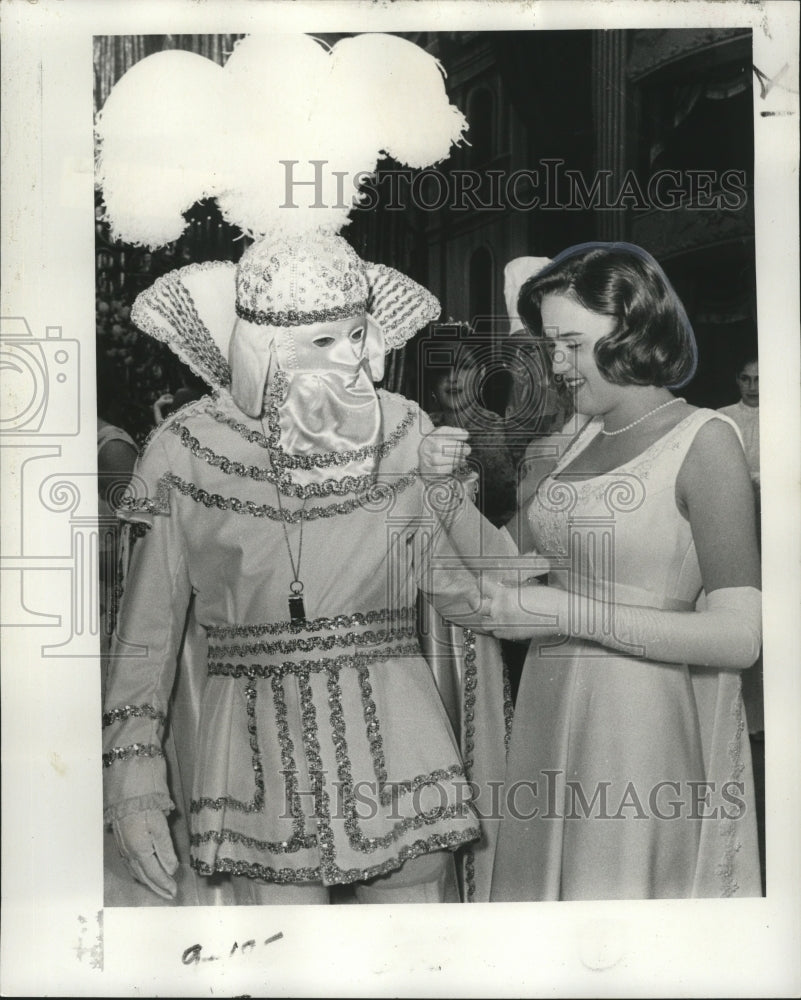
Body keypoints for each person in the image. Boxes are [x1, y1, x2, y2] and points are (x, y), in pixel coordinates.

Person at [483, 243, 762, 900]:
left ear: (632, 330)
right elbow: (500, 556)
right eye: (549, 345)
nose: (555, 366)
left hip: (637, 724)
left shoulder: (706, 440)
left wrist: (562, 611)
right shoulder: (586, 435)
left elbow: (739, 637)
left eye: (570, 345)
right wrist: (427, 490)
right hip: (550, 706)